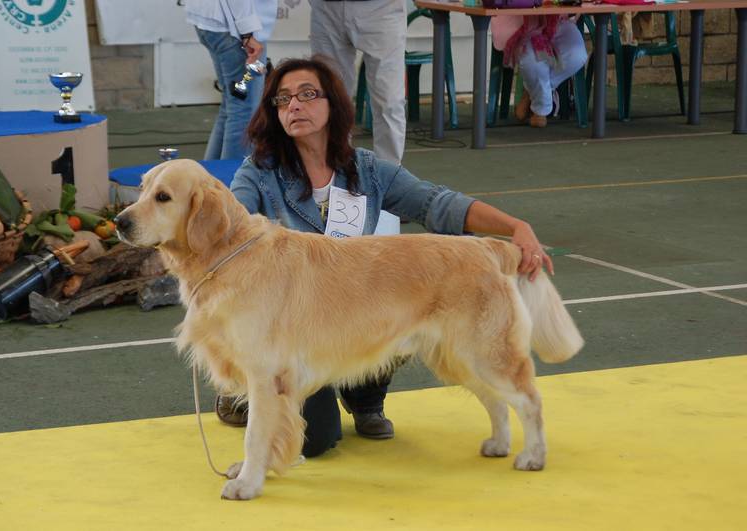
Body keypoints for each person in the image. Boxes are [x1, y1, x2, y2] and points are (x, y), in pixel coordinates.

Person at [222, 55, 553, 458]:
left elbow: (437, 203)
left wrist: (515, 226)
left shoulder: (367, 170)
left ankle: (366, 401)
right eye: (283, 99)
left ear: (333, 105)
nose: (294, 105)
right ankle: (241, 388)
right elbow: (232, 228)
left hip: (360, 312)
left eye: (307, 94)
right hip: (296, 330)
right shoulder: (258, 173)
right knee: (315, 440)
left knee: (398, 303)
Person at [309, 0, 407, 164]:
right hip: (326, 8)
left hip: (381, 8)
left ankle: (389, 172)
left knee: (388, 101)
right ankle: (335, 169)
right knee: (329, 97)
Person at [184, 0, 278, 159]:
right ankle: (232, 173)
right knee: (244, 110)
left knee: (233, 105)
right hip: (233, 27)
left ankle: (214, 170)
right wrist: (247, 32)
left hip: (216, 21)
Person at [491, 14, 588, 128]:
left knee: (577, 55)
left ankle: (530, 92)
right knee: (531, 61)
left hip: (558, 20)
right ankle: (540, 111)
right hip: (521, 23)